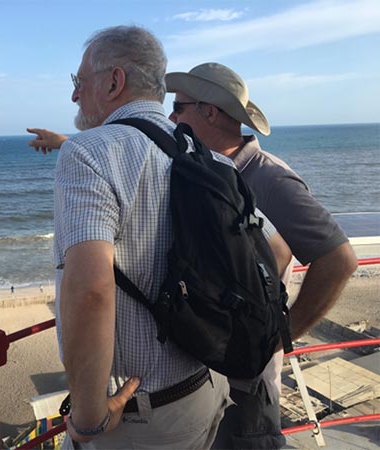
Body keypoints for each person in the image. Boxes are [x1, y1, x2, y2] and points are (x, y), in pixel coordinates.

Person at [48, 25, 289, 449]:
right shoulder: (210, 159)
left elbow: (90, 291)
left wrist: (87, 418)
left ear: (113, 81)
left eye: (78, 83)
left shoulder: (87, 152)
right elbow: (277, 250)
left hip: (141, 418)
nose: (73, 96)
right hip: (205, 391)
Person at [165, 62, 358, 449]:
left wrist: (280, 338)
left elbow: (339, 260)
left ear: (210, 112)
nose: (171, 116)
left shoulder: (267, 177)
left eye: (179, 106)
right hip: (203, 380)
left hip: (246, 392)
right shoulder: (200, 173)